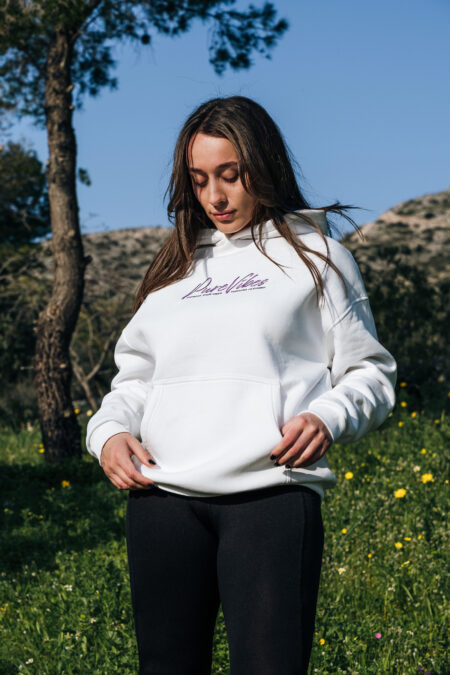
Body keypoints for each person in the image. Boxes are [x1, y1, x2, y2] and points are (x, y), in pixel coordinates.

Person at [86, 95, 397, 674]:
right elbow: (135, 382)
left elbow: (370, 372)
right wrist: (107, 433)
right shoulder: (173, 271)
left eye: (231, 175)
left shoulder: (319, 257)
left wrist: (328, 416)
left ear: (263, 164)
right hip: (161, 499)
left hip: (270, 495)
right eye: (199, 179)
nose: (215, 197)